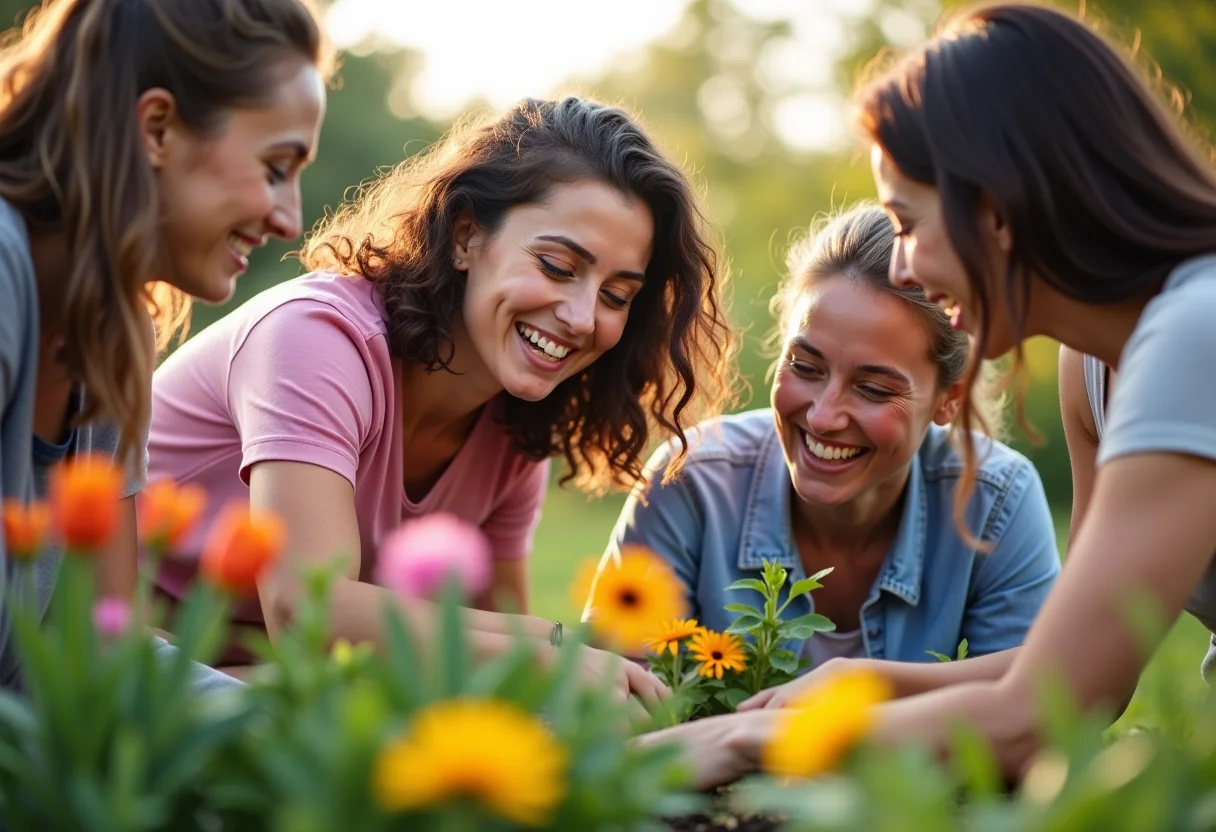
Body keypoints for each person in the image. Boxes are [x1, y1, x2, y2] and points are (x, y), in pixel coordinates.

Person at [642, 0, 1216, 788]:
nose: (903, 268)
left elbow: (1031, 721)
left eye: (907, 222)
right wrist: (860, 682)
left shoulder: (1196, 330)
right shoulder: (1096, 366)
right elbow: (1079, 681)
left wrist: (742, 745)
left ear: (998, 207)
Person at [146, 95, 737, 701]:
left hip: (287, 699)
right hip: (117, 665)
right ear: (464, 236)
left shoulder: (516, 431)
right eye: (557, 266)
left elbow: (481, 665)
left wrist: (570, 658)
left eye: (616, 295)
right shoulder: (316, 337)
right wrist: (554, 646)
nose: (584, 317)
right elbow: (309, 615)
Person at [0, 0, 332, 694]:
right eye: (276, 167)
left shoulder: (114, 334)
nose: (289, 218)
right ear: (157, 129)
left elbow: (101, 654)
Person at [591, 204, 1058, 672]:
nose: (823, 416)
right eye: (805, 367)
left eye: (873, 389)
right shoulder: (692, 482)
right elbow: (611, 698)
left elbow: (1019, 717)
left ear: (949, 398)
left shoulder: (997, 505)